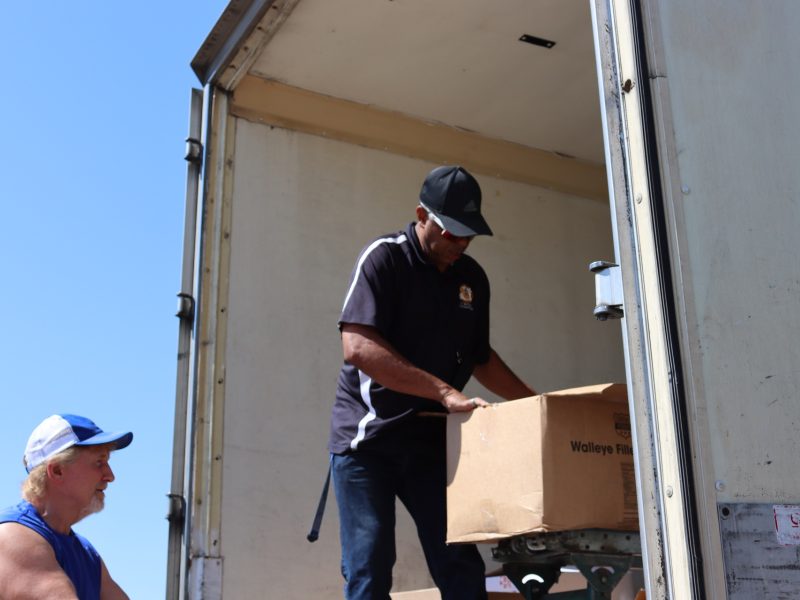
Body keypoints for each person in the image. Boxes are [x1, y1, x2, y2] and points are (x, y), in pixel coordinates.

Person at [328, 165, 536, 600]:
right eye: (451, 232)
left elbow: (481, 358)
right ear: (422, 215)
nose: (460, 243)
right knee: (370, 568)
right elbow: (358, 348)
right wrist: (443, 391)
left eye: (469, 235)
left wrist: (536, 406)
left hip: (430, 443)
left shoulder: (472, 279)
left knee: (460, 564)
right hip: (369, 442)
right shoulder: (384, 258)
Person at [0, 414, 133, 600]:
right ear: (57, 470)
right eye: (99, 462)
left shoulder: (87, 554)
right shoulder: (13, 537)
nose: (110, 476)